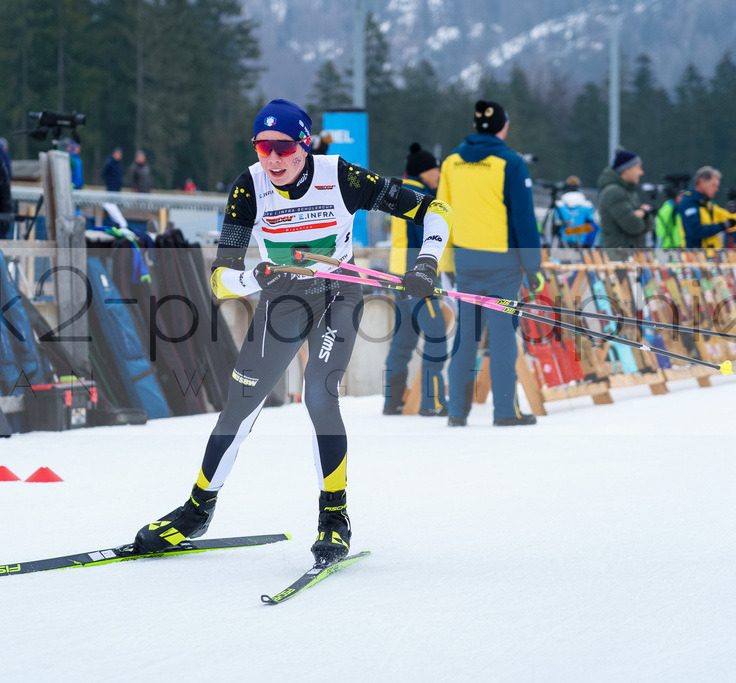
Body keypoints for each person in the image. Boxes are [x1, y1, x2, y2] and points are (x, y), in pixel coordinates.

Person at [131, 98, 451, 566]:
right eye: (263, 147)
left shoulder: (341, 177)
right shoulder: (250, 185)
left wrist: (426, 263)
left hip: (338, 293)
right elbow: (220, 279)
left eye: (283, 147)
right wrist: (255, 277)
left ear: (304, 144)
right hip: (282, 299)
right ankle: (197, 511)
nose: (273, 159)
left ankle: (334, 516)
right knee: (239, 404)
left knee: (319, 394)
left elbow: (435, 208)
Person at [438, 99, 542, 428]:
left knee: (466, 336)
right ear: (503, 127)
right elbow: (523, 217)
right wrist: (533, 266)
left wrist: (446, 262)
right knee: (502, 337)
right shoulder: (510, 163)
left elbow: (441, 214)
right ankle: (505, 411)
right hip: (503, 263)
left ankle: (457, 411)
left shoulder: (451, 163)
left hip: (466, 260)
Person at [383, 143, 452, 416]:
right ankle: (432, 402)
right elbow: (425, 239)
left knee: (403, 339)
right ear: (424, 171)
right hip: (416, 277)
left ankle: (393, 400)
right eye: (436, 170)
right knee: (436, 334)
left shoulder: (400, 192)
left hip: (397, 274)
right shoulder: (420, 197)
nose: (439, 175)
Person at [596, 147, 653, 257]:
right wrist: (642, 215)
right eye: (638, 168)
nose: (641, 172)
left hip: (631, 255)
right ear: (626, 170)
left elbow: (648, 226)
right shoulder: (614, 192)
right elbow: (633, 226)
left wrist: (644, 215)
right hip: (620, 257)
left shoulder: (629, 192)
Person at [678, 166, 736, 250]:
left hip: (711, 254)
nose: (716, 189)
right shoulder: (689, 202)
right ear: (701, 181)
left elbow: (728, 217)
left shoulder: (707, 203)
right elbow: (694, 231)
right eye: (713, 185)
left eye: (717, 186)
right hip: (695, 255)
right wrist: (722, 226)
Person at [554, 175, 599, 247]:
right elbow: (592, 222)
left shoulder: (559, 205)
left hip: (563, 241)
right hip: (582, 242)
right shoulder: (587, 205)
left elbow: (556, 223)